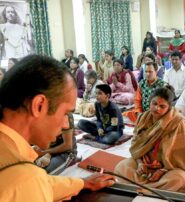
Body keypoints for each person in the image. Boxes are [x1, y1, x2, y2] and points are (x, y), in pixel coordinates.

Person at [0, 54, 115, 201]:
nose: (67, 124)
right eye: (65, 113)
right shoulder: (25, 179)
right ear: (39, 105)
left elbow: (45, 184)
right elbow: (30, 184)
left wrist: (82, 183)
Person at [115, 86, 185, 192]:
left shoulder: (178, 122)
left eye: (162, 106)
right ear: (149, 102)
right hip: (144, 163)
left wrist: (163, 170)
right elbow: (135, 145)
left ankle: (140, 188)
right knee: (121, 167)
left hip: (169, 167)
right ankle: (153, 190)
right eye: (154, 104)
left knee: (180, 178)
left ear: (169, 107)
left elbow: (183, 156)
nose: (157, 108)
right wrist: (140, 163)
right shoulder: (143, 118)